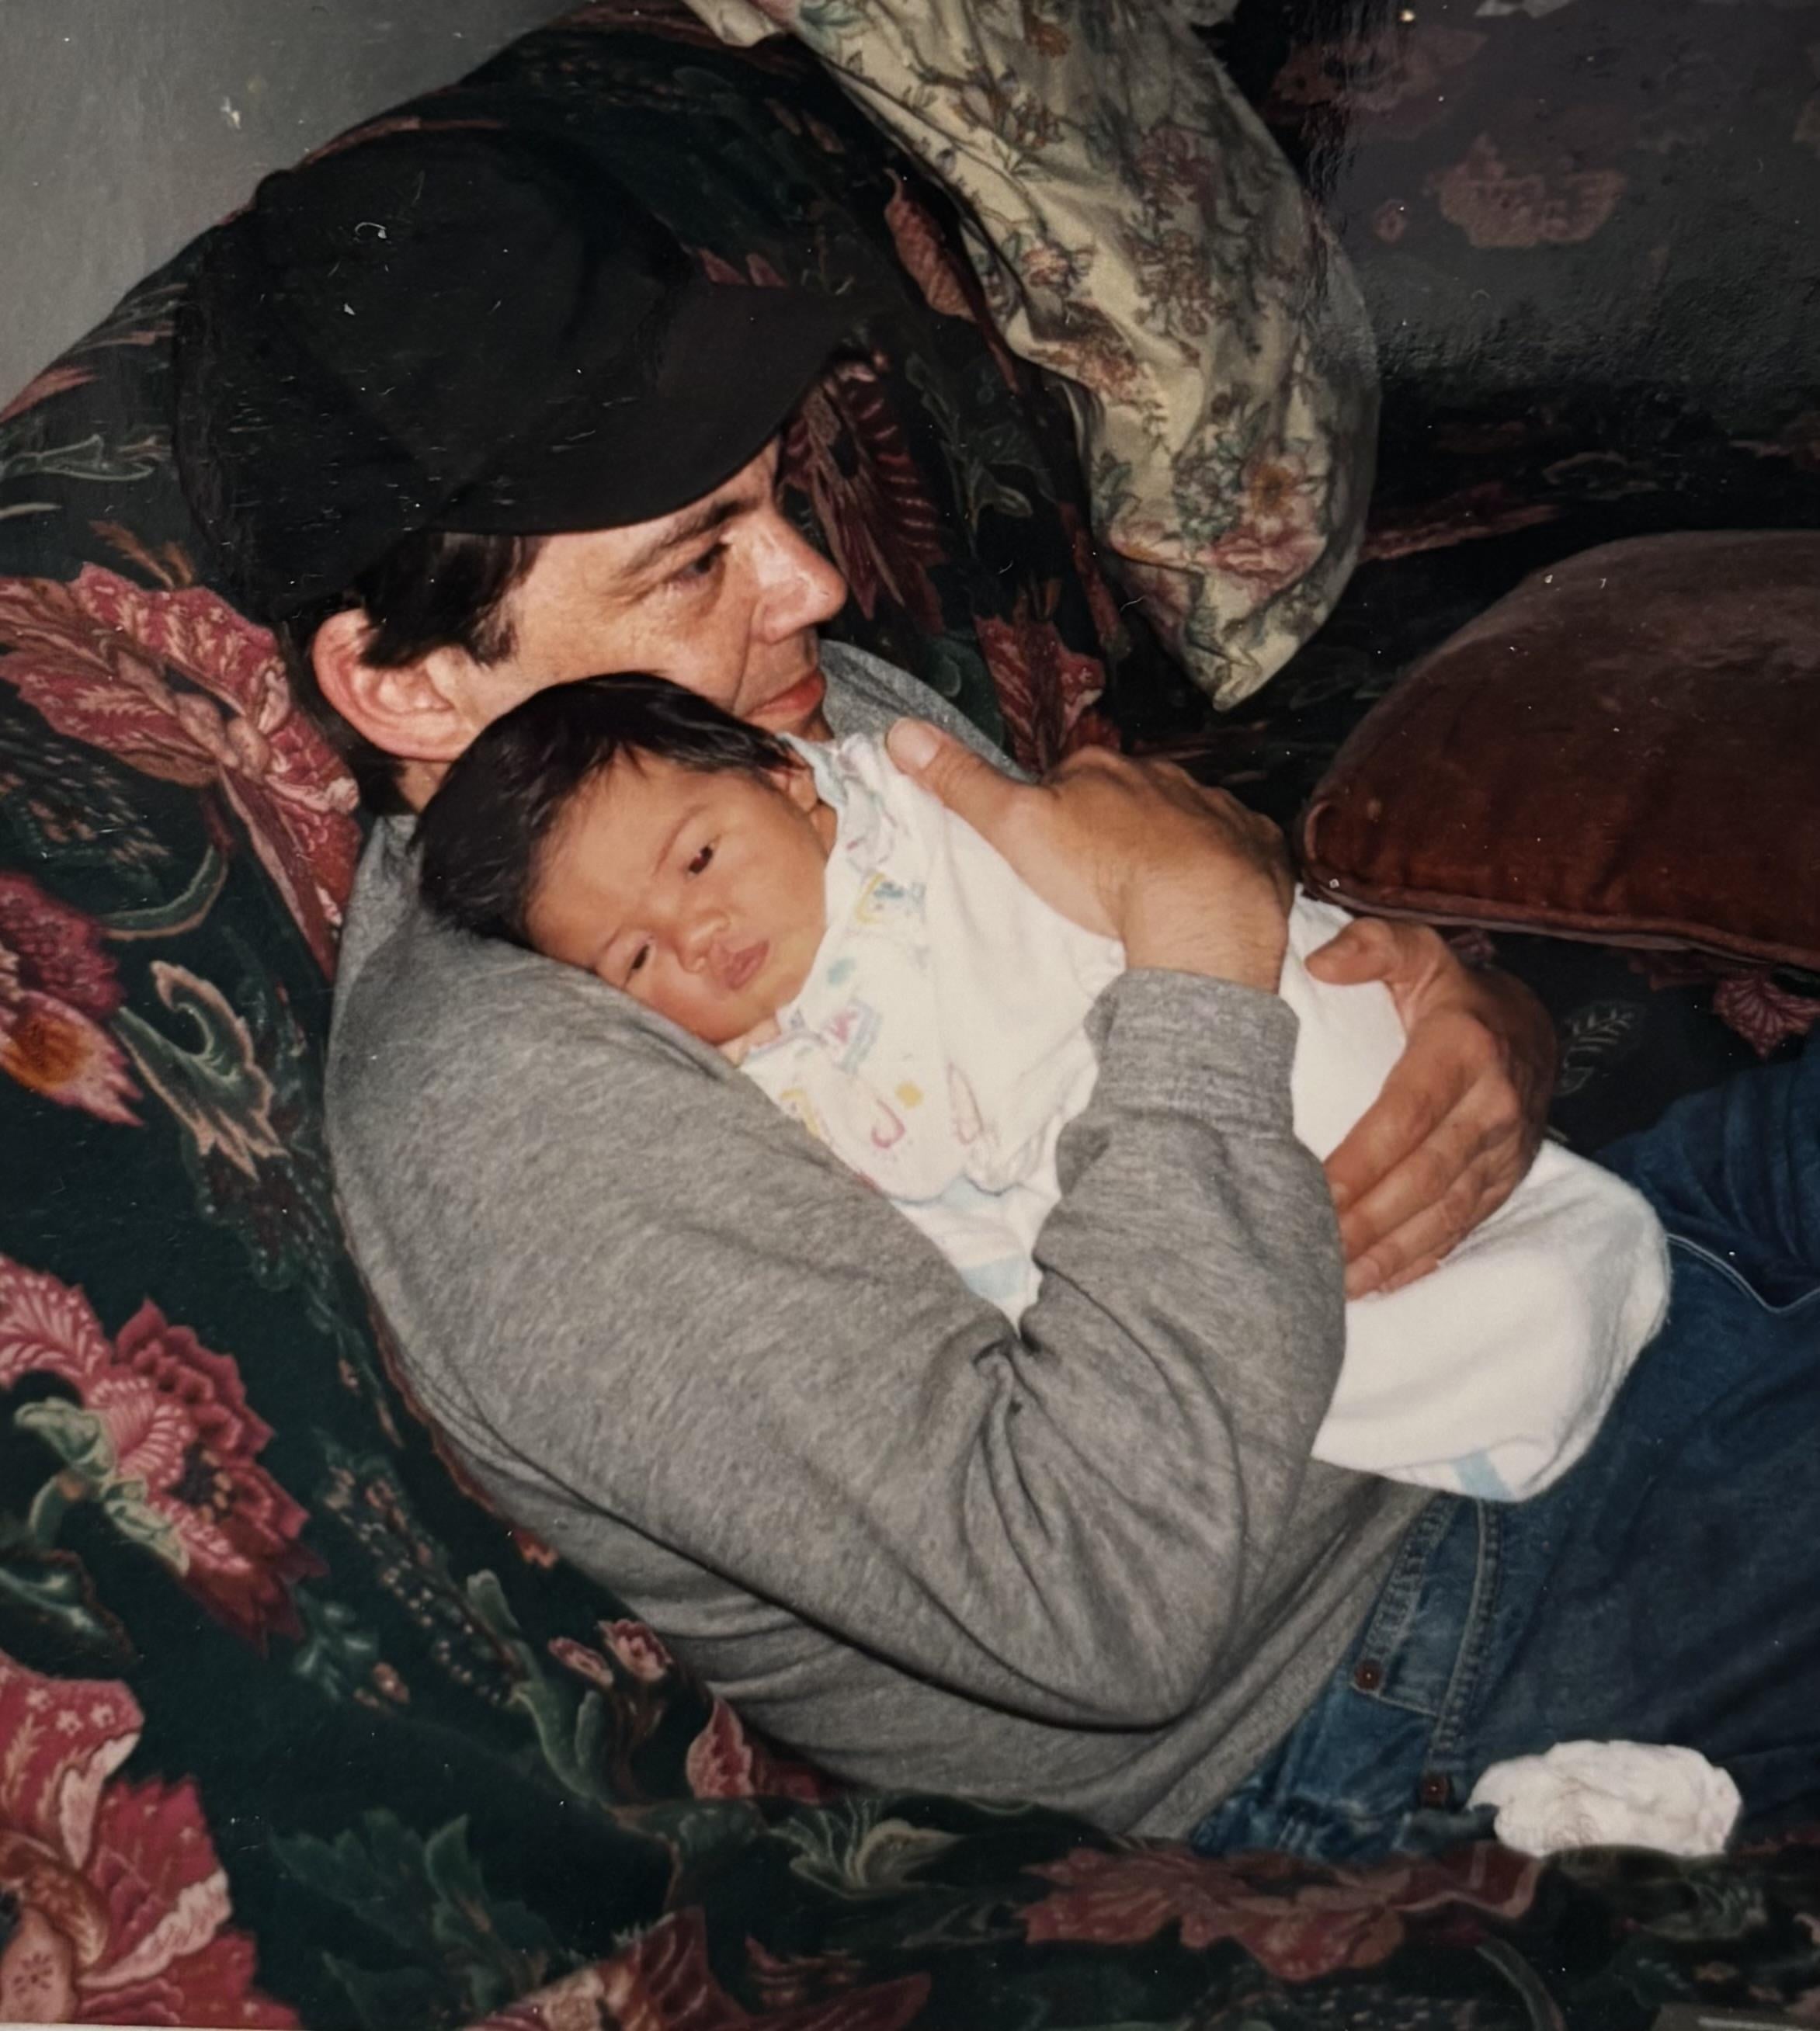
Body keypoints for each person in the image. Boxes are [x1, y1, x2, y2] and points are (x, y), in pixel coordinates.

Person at [172, 125, 1819, 1856]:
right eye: (692, 552)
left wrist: (1472, 1016)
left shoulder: (722, 732)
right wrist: (1204, 958)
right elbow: (1105, 1603)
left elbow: (1086, 957)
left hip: (1523, 1266)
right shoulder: (516, 1121)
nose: (809, 583)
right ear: (410, 689)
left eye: (769, 500)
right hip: (1384, 1630)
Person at [415, 672, 1668, 1504]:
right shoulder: (624, 1092)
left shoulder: (904, 829)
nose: (694, 935)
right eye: (634, 960)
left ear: (794, 784)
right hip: (1242, 1392)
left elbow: (1079, 909)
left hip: (1286, 1073)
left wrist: (1486, 1005)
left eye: (698, 859)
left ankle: (1554, 1292)